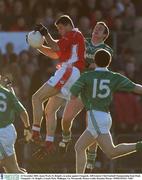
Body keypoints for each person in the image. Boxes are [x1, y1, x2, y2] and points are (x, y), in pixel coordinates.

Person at [70, 49, 142, 173]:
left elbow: (72, 95)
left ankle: (140, 145)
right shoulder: (114, 77)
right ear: (109, 62)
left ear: (94, 61)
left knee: (111, 152)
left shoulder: (87, 76)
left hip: (95, 116)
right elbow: (136, 87)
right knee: (79, 147)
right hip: (104, 116)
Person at [59, 21, 113, 171]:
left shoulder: (106, 49)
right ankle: (65, 137)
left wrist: (85, 63)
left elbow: (97, 65)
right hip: (79, 86)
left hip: (92, 90)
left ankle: (91, 158)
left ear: (105, 35)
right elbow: (77, 57)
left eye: (100, 29)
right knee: (66, 118)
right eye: (96, 27)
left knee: (93, 126)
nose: (97, 29)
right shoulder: (83, 41)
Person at [30, 15, 85, 154]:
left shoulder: (73, 33)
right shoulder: (72, 39)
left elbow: (54, 46)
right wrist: (38, 45)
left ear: (68, 25)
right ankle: (49, 142)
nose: (60, 31)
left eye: (60, 28)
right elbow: (55, 54)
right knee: (50, 110)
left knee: (36, 98)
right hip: (72, 74)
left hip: (68, 71)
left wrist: (45, 33)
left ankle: (35, 132)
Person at [0, 75, 31, 173]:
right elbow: (23, 112)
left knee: (12, 169)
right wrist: (27, 128)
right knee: (11, 170)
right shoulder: (8, 93)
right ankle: (23, 175)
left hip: (2, 134)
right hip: (8, 131)